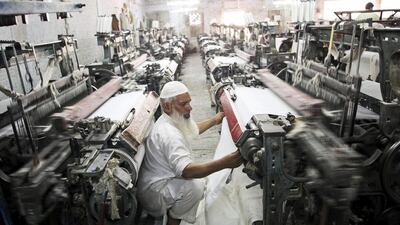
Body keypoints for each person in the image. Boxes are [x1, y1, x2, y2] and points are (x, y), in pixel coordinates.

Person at [137, 81, 243, 225]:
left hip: (154, 184)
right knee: (196, 187)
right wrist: (226, 162)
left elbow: (191, 129)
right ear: (167, 106)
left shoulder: (168, 120)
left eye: (189, 102)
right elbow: (187, 171)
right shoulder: (169, 134)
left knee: (197, 182)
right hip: (154, 195)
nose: (190, 107)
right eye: (183, 104)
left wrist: (214, 120)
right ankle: (173, 220)